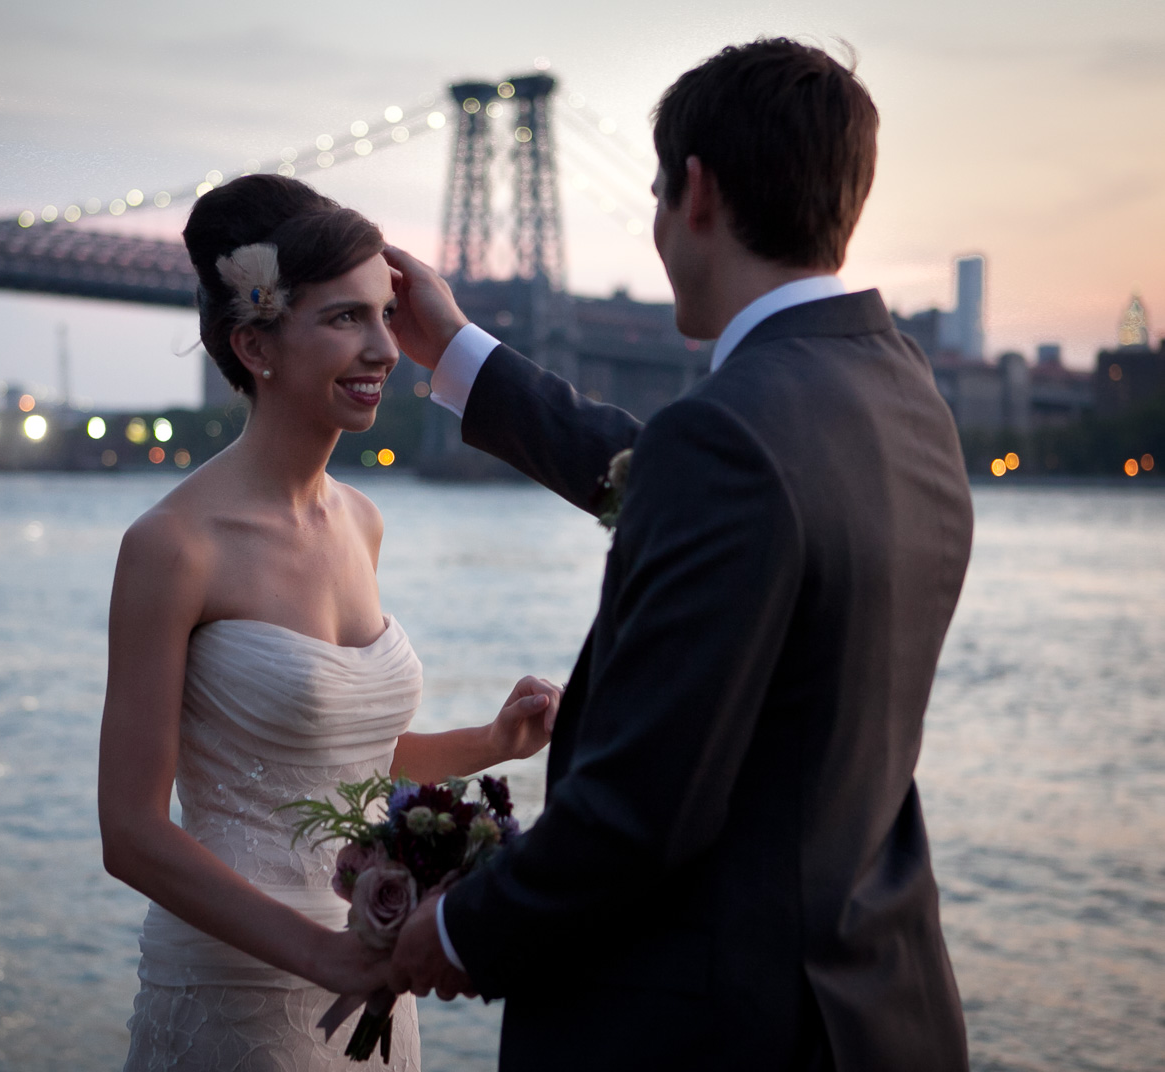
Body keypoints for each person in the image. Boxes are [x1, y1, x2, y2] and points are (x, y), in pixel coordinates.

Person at [386, 39, 974, 1071]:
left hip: (718, 1030)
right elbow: (662, 474)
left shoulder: (731, 437)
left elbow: (638, 815)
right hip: (880, 1007)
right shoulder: (899, 390)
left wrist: (451, 930)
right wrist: (459, 353)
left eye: (658, 192)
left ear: (694, 191)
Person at [96, 173, 561, 1072]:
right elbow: (131, 833)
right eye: (347, 318)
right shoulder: (173, 546)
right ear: (255, 345)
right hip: (238, 1000)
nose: (387, 348)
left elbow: (333, 754)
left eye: (387, 316)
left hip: (371, 987)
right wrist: (322, 954)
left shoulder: (361, 522)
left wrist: (492, 741)